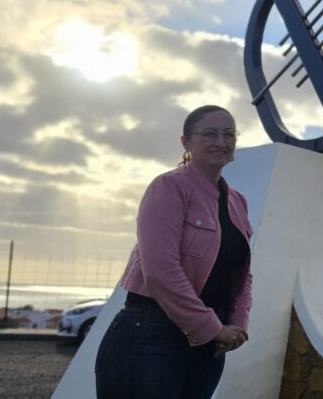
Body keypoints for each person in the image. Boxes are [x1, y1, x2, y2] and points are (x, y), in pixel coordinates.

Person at [96, 105, 253, 399]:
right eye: (210, 133)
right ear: (186, 142)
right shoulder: (168, 187)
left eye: (229, 134)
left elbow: (242, 273)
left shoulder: (238, 202)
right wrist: (211, 327)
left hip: (210, 341)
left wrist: (237, 325)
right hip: (152, 333)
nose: (221, 142)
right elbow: (160, 272)